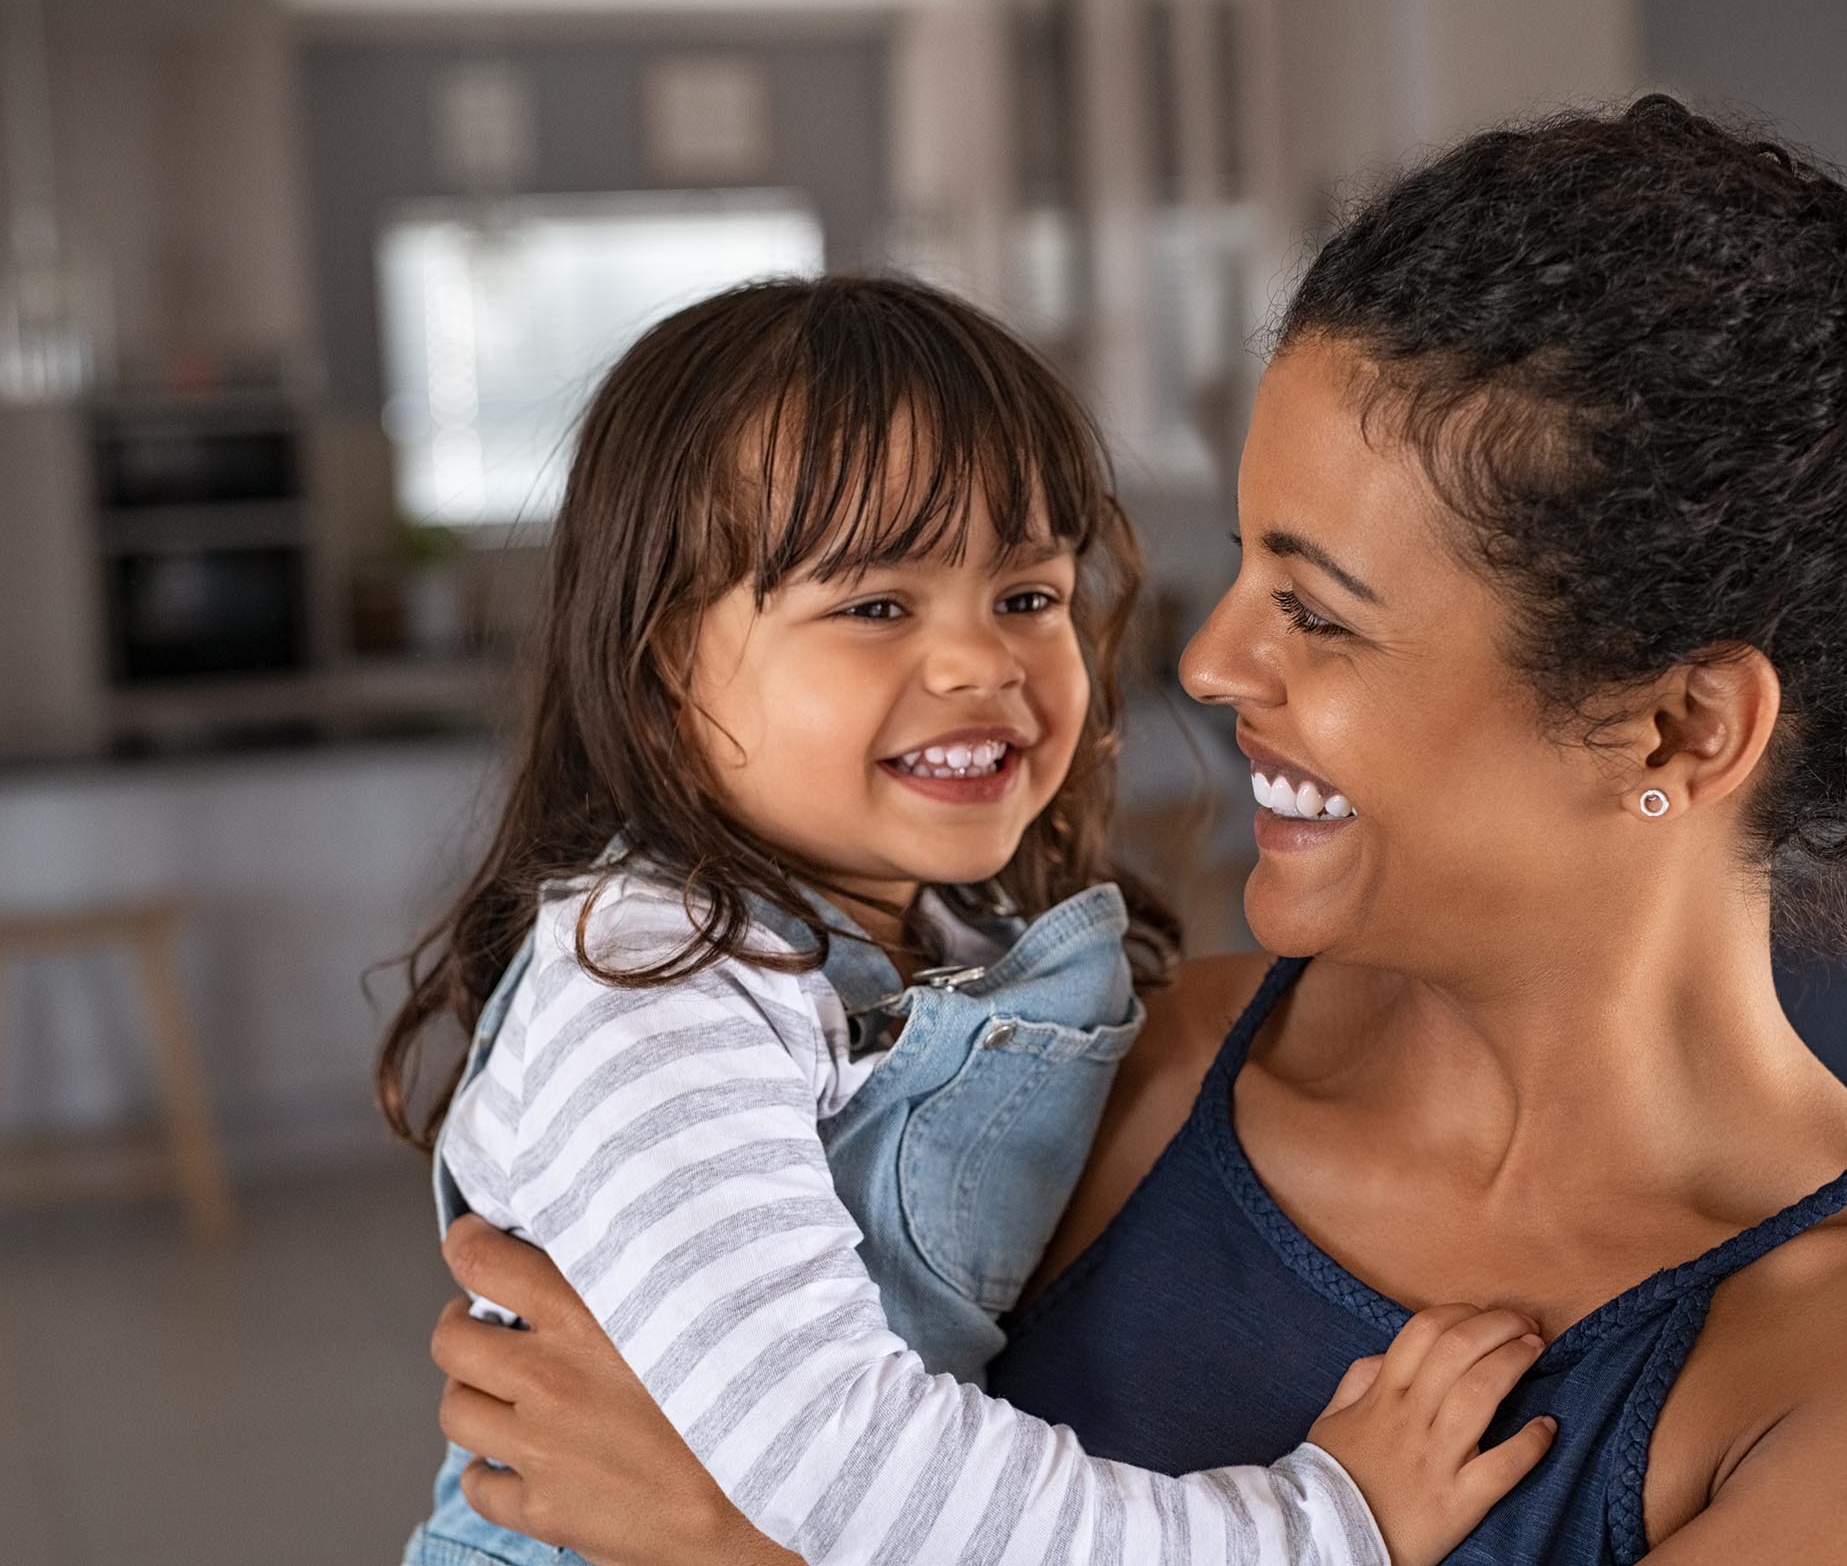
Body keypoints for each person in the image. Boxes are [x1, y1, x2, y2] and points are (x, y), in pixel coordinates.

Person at [423, 97, 1847, 1565]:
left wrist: (734, 1547)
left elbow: (788, 1484)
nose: (1215, 662)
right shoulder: (1103, 1065)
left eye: (1316, 609)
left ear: (1679, 728)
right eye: (1243, 569)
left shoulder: (1809, 1392)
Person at [379, 275, 1553, 1566]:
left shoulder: (960, 943)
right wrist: (1315, 1528)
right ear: (666, 656)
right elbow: (841, 1452)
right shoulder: (661, 985)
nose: (982, 662)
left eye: (1028, 595)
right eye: (876, 605)